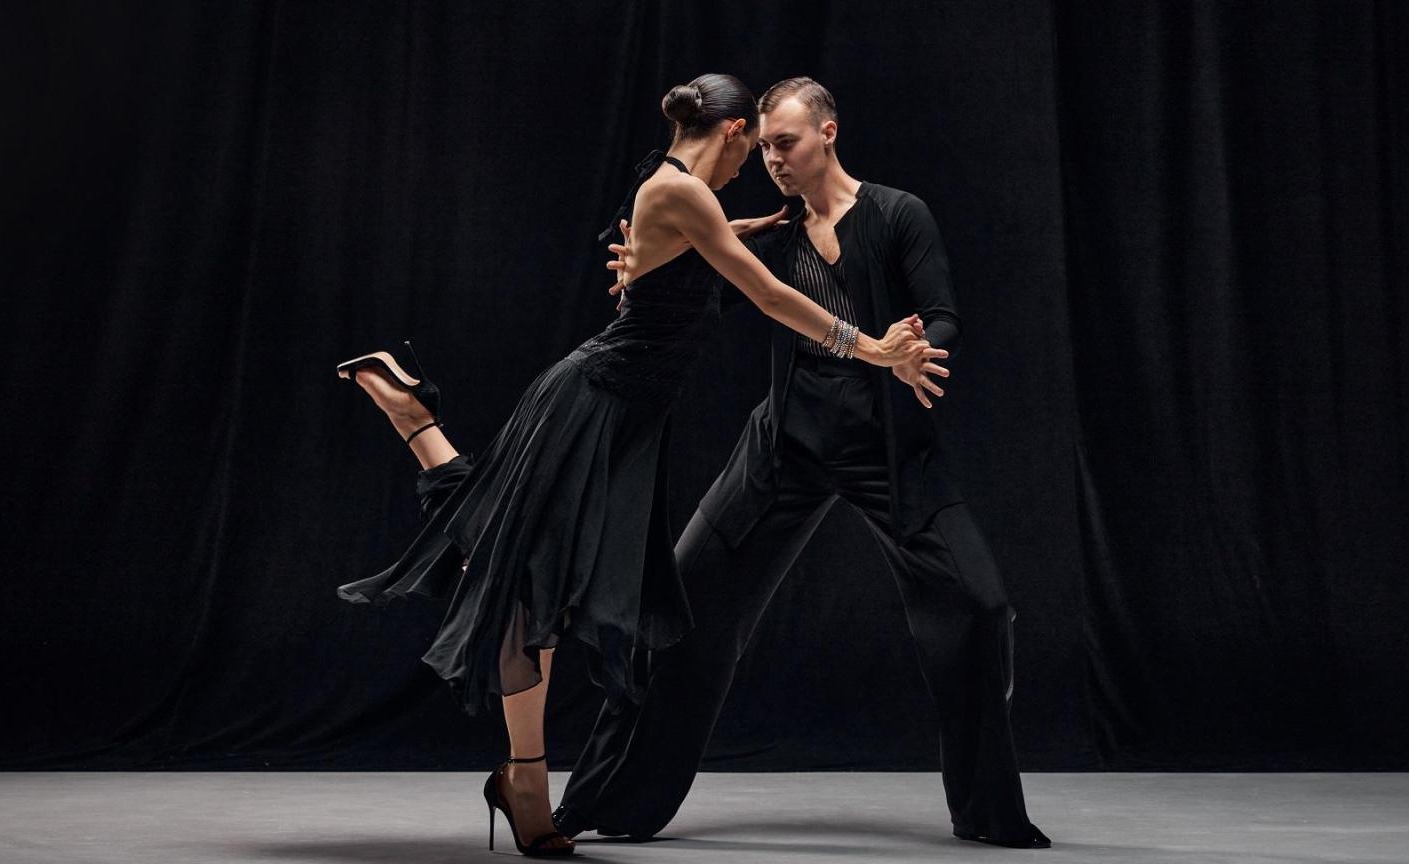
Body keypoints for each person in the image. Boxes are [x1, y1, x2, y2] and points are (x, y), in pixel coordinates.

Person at [333, 73, 944, 857]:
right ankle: (526, 782)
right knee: (523, 580)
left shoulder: (685, 194)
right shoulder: (679, 190)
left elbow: (710, 253)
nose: (750, 165)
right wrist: (872, 348)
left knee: (516, 560)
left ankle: (417, 416)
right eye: (747, 150)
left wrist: (757, 222)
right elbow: (763, 295)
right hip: (594, 404)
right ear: (726, 132)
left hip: (623, 417)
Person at [555, 77, 1050, 849]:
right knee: (680, 611)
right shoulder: (775, 231)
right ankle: (608, 803)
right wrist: (639, 266)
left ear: (828, 133)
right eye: (765, 147)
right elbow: (691, 286)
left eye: (785, 143)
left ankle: (988, 812)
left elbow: (944, 308)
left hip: (885, 453)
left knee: (979, 609)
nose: (773, 160)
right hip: (783, 446)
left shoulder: (895, 214)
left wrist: (920, 343)